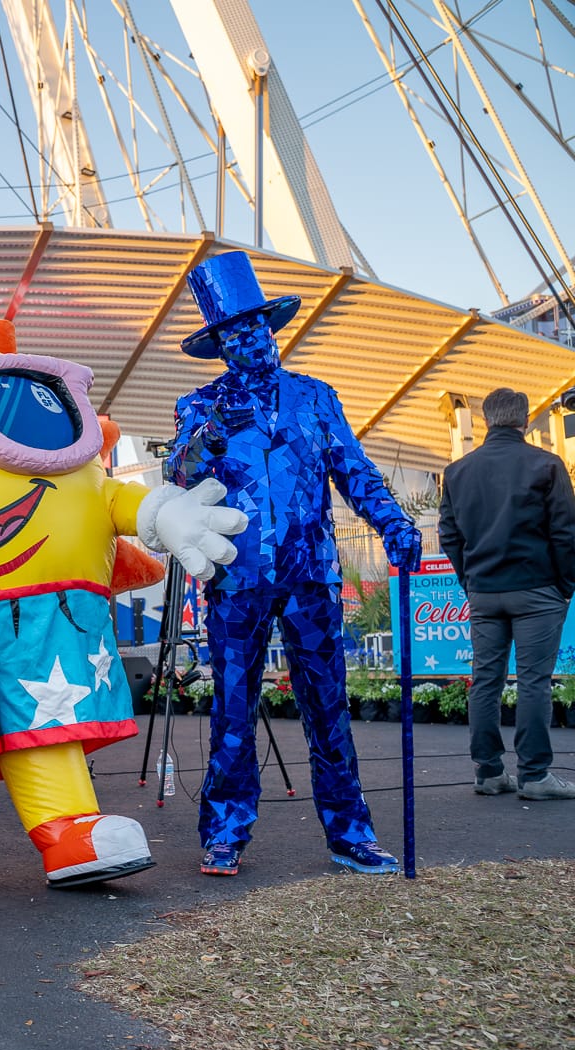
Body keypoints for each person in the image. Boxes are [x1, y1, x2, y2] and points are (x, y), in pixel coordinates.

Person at [168, 251, 423, 877]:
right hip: (235, 577)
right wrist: (205, 444)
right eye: (235, 332)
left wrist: (393, 521)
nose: (250, 339)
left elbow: (353, 471)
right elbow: (177, 475)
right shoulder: (201, 406)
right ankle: (224, 829)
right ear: (222, 345)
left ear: (272, 329)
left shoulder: (315, 398)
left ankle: (351, 832)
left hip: (311, 574)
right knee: (232, 708)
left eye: (256, 326)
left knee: (328, 706)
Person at [439, 388, 575, 800]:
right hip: (537, 589)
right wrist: (565, 584)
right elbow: (566, 533)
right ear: (526, 421)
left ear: (485, 420)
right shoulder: (547, 465)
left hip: (483, 590)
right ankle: (535, 776)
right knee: (534, 681)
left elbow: (449, 535)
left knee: (485, 681)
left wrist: (470, 579)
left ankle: (489, 772)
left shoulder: (458, 471)